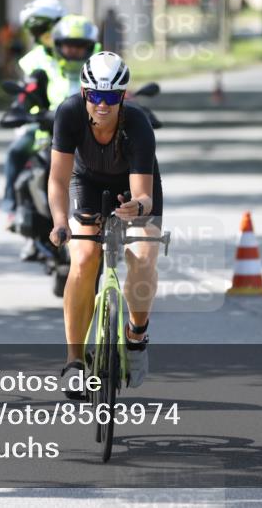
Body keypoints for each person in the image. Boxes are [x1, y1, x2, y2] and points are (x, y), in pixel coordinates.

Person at [48, 51, 163, 395]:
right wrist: (59, 222)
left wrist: (136, 207)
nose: (102, 104)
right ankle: (74, 361)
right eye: (95, 96)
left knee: (143, 256)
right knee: (84, 259)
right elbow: (57, 179)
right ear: (84, 92)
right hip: (87, 182)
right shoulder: (69, 113)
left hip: (133, 188)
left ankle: (136, 335)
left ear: (122, 97)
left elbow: (144, 196)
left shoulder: (137, 124)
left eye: (111, 97)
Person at [3, 0, 67, 230]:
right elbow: (26, 92)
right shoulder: (32, 60)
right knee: (16, 152)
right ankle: (12, 209)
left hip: (82, 122)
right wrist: (24, 109)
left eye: (44, 27)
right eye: (35, 30)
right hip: (44, 124)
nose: (41, 34)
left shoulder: (81, 47)